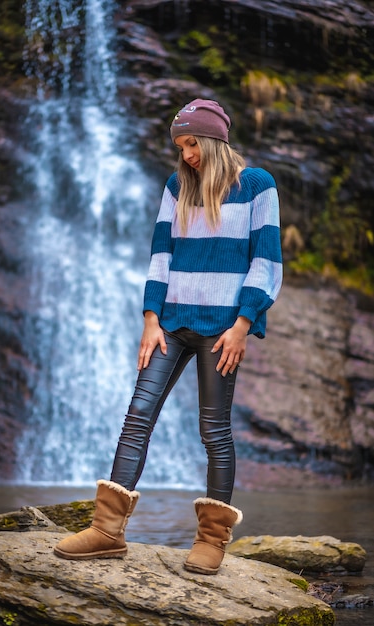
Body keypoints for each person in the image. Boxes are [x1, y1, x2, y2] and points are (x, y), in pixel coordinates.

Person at [54, 98, 283, 574]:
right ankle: (106, 532)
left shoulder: (257, 185)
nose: (187, 153)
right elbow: (161, 254)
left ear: (215, 139)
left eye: (192, 142)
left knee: (214, 431)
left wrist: (244, 324)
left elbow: (266, 262)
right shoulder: (176, 185)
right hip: (171, 323)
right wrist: (150, 318)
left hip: (223, 330)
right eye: (180, 145)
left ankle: (212, 541)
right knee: (137, 416)